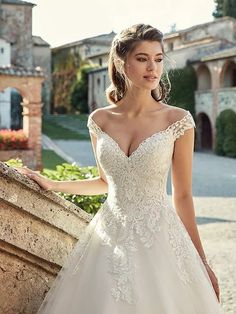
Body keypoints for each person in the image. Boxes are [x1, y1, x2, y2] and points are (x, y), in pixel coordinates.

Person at [16, 24, 221, 313]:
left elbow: (183, 196)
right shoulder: (100, 120)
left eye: (159, 58)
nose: (153, 68)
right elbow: (105, 181)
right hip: (108, 239)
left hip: (159, 239)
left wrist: (202, 262)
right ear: (121, 62)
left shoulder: (178, 121)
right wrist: (51, 184)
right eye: (142, 58)